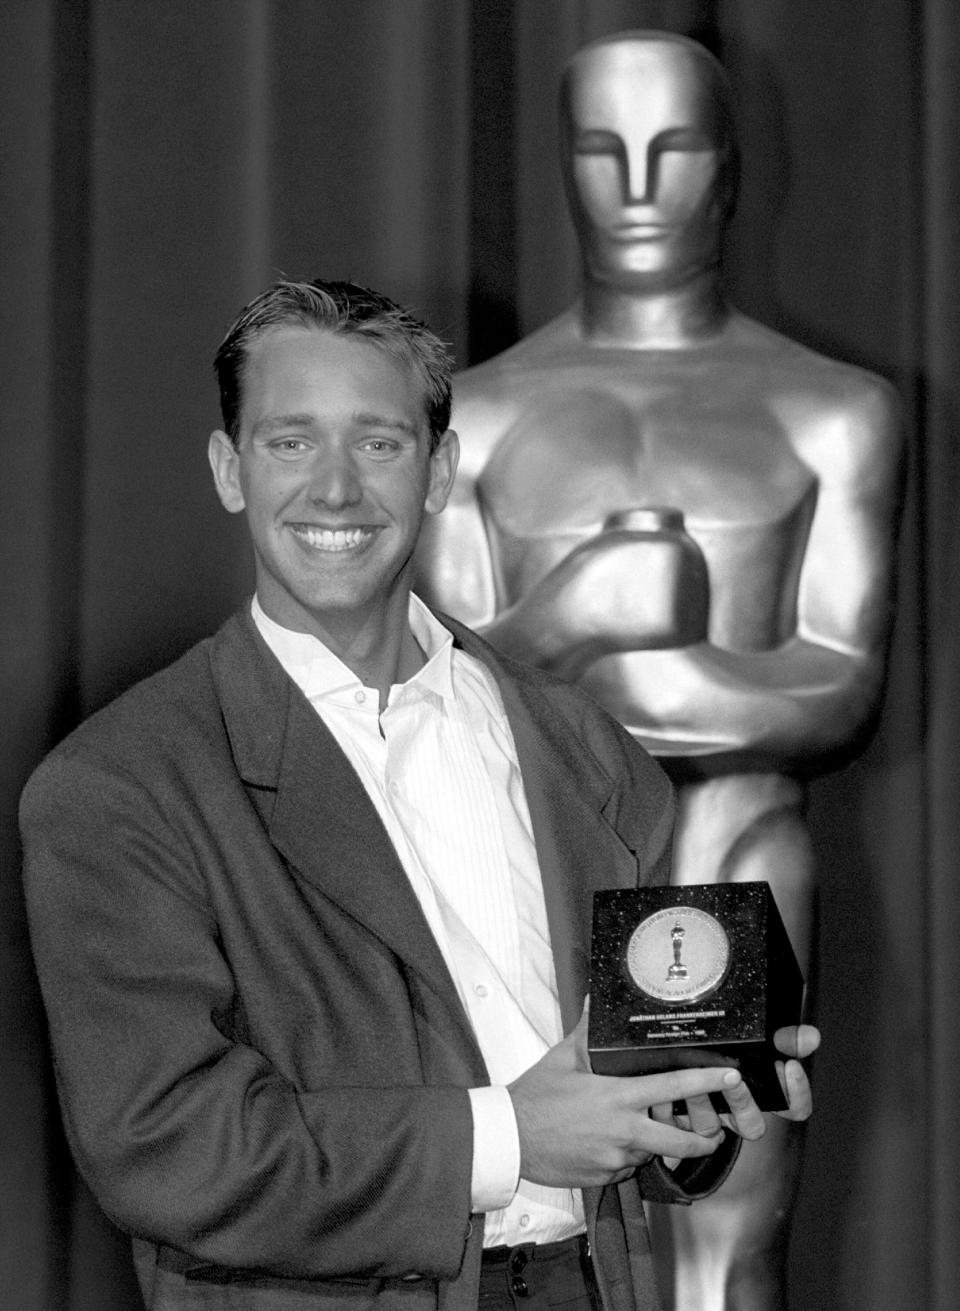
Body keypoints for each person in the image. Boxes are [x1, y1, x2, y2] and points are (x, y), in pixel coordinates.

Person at [21, 279, 818, 1311]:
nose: (337, 490)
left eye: (381, 443)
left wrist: (689, 1103)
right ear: (229, 470)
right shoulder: (119, 786)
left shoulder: (585, 748)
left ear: (440, 471)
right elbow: (169, 1147)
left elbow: (610, 1081)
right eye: (291, 443)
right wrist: (511, 1135)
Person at [413, 31, 902, 1311]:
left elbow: (838, 688)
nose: (637, 185)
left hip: (727, 856)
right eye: (601, 149)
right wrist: (580, 612)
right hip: (532, 871)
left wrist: (637, 653)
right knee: (519, 1226)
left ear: (731, 172)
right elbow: (443, 697)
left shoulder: (830, 410)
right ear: (564, 170)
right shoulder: (479, 418)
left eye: (675, 148)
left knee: (720, 1241)